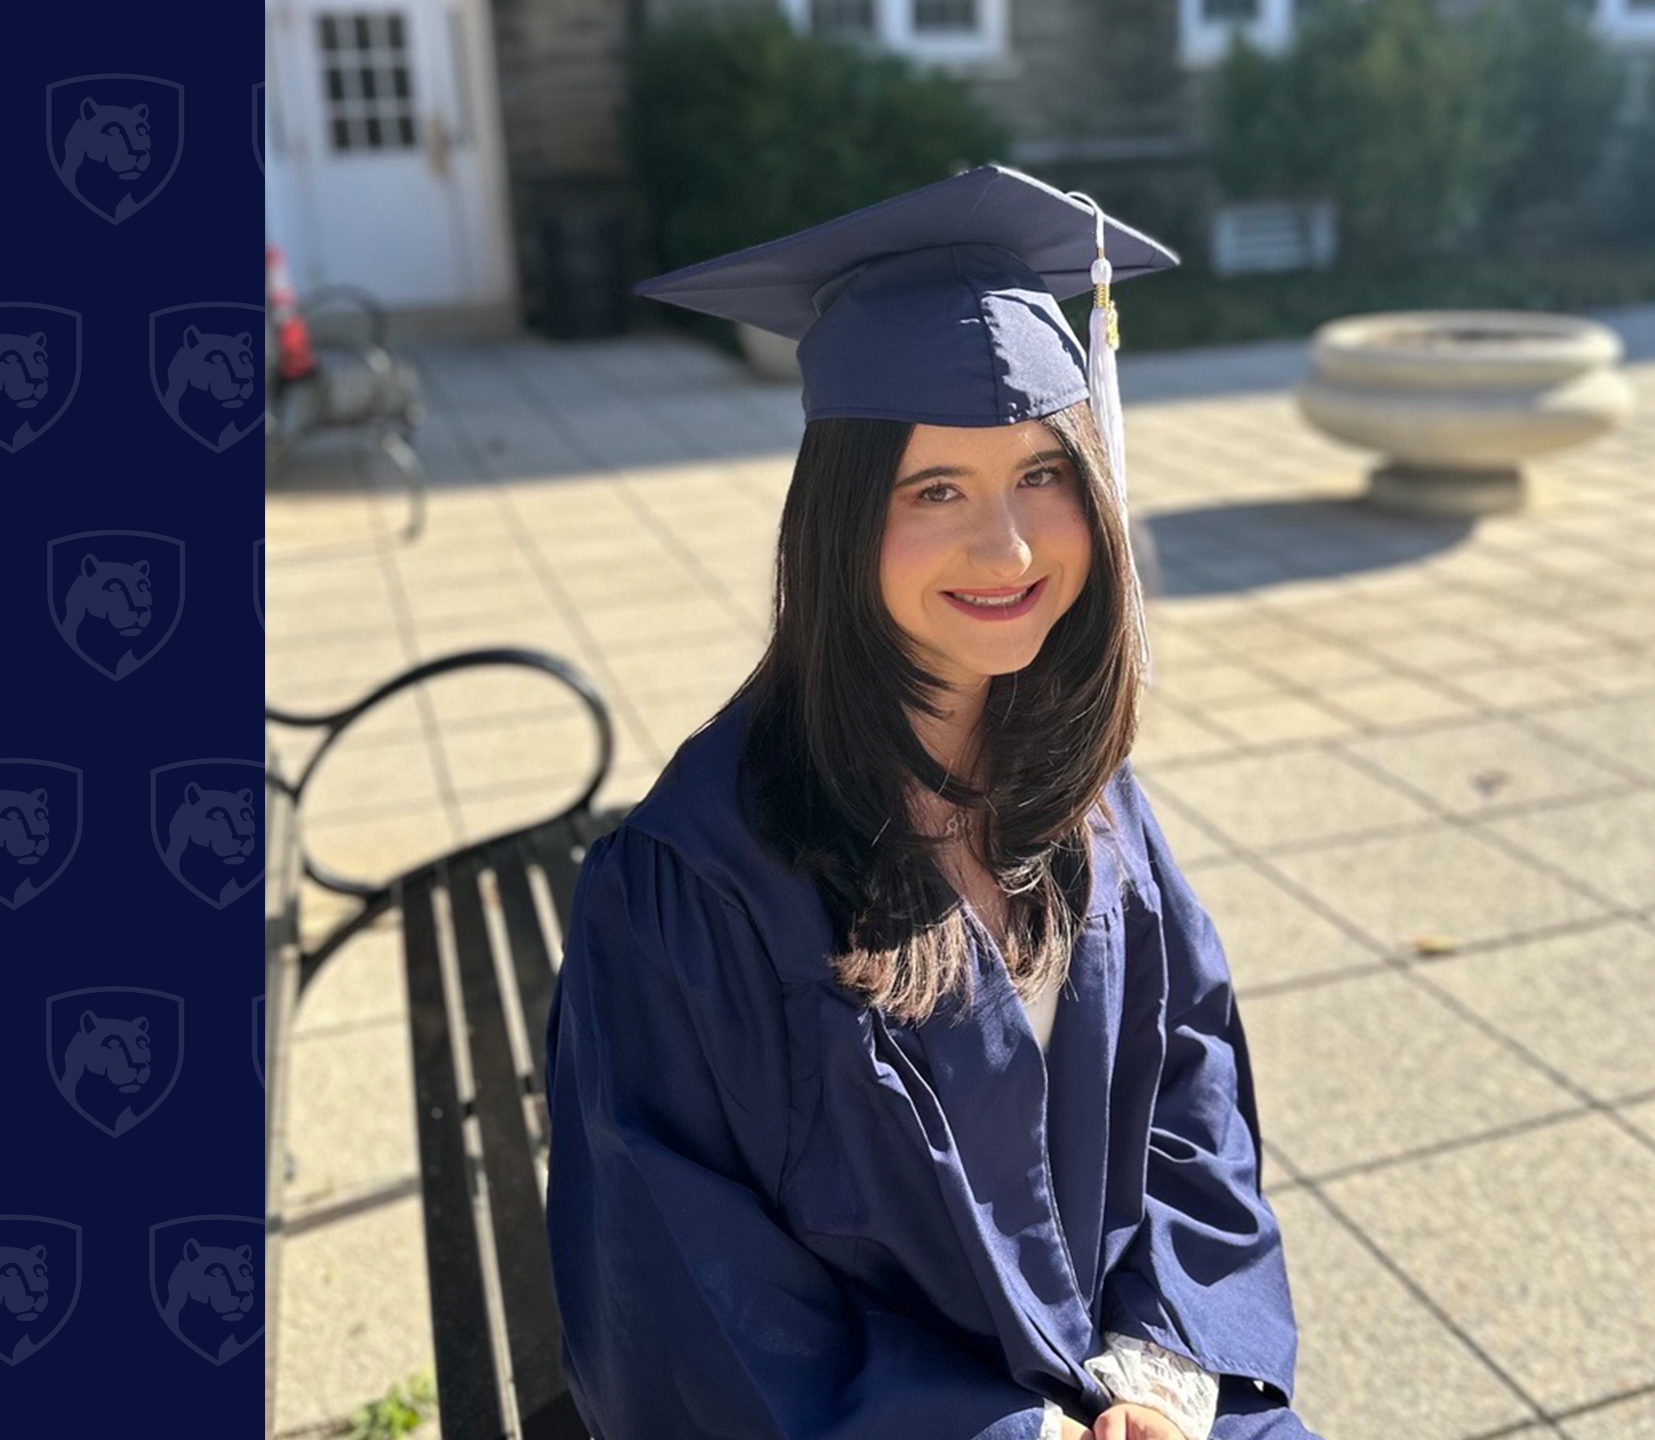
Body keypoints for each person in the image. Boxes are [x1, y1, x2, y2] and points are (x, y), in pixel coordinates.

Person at [544, 165, 1321, 1440]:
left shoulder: (1090, 797)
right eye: (935, 491)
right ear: (839, 523)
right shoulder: (690, 890)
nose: (1010, 550)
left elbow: (1193, 1091)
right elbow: (679, 1297)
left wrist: (1159, 1370)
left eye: (1042, 476)